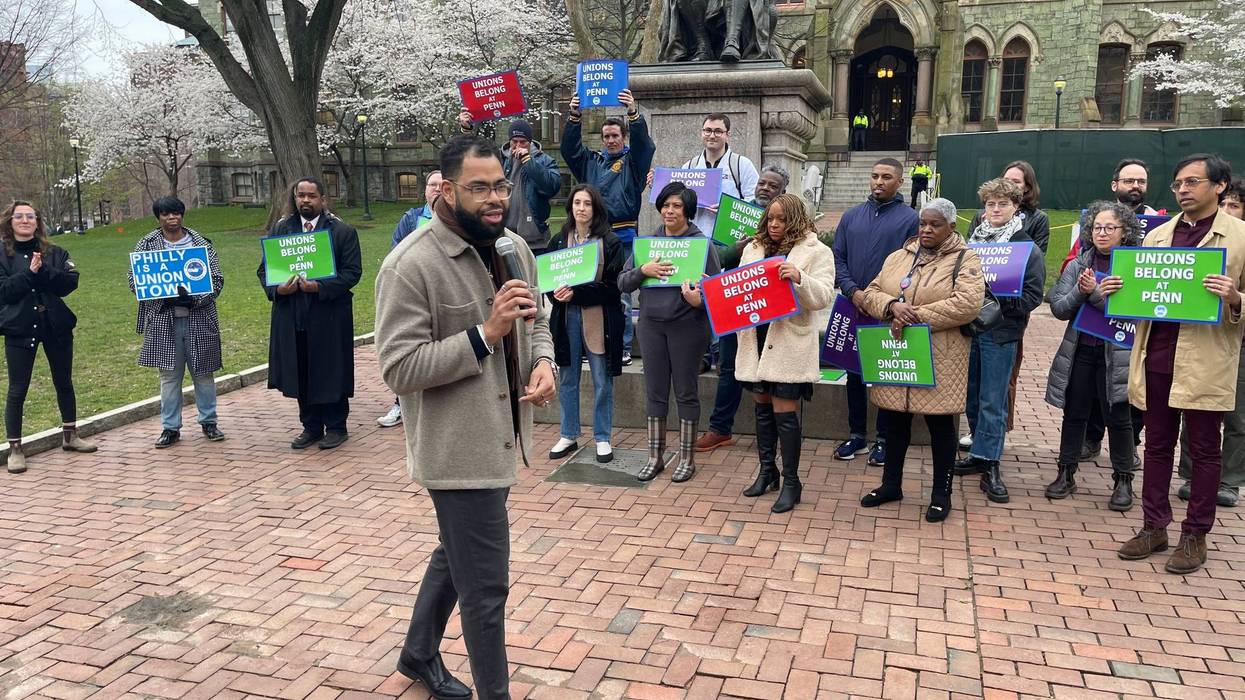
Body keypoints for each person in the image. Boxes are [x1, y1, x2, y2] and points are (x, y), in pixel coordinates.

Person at [376, 134, 556, 700]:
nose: (494, 197)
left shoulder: (513, 247)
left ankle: (418, 652)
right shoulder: (410, 265)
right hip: (457, 450)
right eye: (478, 188)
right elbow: (399, 368)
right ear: (447, 190)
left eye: (500, 184)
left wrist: (544, 360)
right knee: (486, 589)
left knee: (457, 554)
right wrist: (485, 335)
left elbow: (539, 316)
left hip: (505, 437)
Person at [1113, 154, 1245, 575]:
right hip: (1157, 354)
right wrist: (1120, 289)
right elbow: (1144, 292)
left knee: (1205, 448)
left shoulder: (1239, 237)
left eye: (1193, 182)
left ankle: (1195, 534)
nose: (1184, 189)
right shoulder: (1158, 236)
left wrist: (1236, 298)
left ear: (1220, 186)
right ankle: (1154, 526)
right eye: (1177, 184)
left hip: (1205, 357)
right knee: (1155, 445)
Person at [858, 198, 985, 522]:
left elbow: (967, 304)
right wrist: (891, 307)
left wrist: (913, 316)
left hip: (940, 355)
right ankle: (891, 485)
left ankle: (941, 495)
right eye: (923, 224)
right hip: (899, 354)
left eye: (935, 224)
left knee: (941, 428)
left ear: (951, 227)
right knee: (894, 422)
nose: (927, 229)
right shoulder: (899, 256)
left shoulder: (965, 259)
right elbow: (871, 291)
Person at [733, 193, 834, 512]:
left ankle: (792, 481)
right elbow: (739, 289)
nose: (774, 225)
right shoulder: (753, 248)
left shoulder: (817, 251)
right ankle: (767, 472)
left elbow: (823, 297)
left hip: (789, 341)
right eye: (770, 218)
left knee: (784, 412)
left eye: (782, 219)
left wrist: (799, 278)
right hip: (757, 338)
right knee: (761, 408)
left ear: (795, 219)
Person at [618, 182, 722, 483]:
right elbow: (622, 283)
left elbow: (717, 294)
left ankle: (687, 458)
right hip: (651, 326)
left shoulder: (702, 245)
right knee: (655, 390)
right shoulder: (647, 244)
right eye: (665, 205)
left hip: (687, 327)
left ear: (687, 211)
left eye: (676, 206)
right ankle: (655, 455)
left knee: (686, 391)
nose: (669, 211)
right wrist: (643, 271)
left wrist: (699, 300)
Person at [1044, 201, 1142, 511]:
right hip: (1081, 350)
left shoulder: (1137, 267)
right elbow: (1059, 308)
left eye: (1109, 228)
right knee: (1074, 413)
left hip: (1119, 354)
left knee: (1119, 418)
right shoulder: (1078, 264)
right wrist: (1081, 293)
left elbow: (1139, 314)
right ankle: (1066, 472)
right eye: (1097, 227)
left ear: (1124, 232)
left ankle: (1123, 480)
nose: (1102, 233)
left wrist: (1096, 297)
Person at [953, 178, 1046, 503]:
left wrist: (1000, 301)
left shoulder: (1025, 247)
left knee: (993, 400)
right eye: (990, 204)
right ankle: (979, 452)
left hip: (1001, 332)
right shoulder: (971, 245)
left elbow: (1034, 295)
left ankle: (991, 462)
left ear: (1015, 207)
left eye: (1002, 204)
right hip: (970, 331)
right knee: (972, 397)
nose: (995, 210)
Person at [258, 178, 362, 450]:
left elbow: (352, 273)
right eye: (300, 195)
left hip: (327, 315)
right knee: (301, 368)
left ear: (323, 199)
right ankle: (311, 426)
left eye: (311, 196)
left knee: (330, 370)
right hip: (292, 315)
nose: (305, 200)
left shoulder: (341, 231)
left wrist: (319, 286)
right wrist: (278, 290)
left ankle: (337, 426)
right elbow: (264, 271)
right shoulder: (282, 229)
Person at [696, 163, 789, 452]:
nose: (765, 188)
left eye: (772, 186)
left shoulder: (788, 220)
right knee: (728, 367)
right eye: (762, 183)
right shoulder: (737, 214)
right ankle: (720, 428)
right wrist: (735, 250)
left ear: (782, 191)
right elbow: (716, 258)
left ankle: (773, 432)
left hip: (770, 306)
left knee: (771, 370)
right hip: (735, 303)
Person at [832, 158, 918, 466]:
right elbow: (837, 258)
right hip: (853, 304)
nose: (878, 182)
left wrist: (884, 300)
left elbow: (913, 265)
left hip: (887, 309)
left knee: (884, 374)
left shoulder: (910, 219)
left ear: (900, 182)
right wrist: (852, 290)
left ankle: (883, 438)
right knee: (853, 374)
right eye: (874, 176)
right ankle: (857, 435)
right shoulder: (852, 216)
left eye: (886, 177)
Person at [562, 88, 656, 366]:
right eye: (607, 137)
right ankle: (586, 345)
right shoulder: (591, 162)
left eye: (616, 136)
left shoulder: (634, 163)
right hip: (592, 236)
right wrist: (574, 116)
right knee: (586, 289)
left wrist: (633, 113)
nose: (611, 140)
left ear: (624, 137)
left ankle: (623, 345)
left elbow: (645, 146)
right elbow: (570, 150)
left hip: (623, 235)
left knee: (621, 294)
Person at [0, 201, 94, 474]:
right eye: (19, 216)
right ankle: (16, 448)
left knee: (64, 381)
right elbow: (5, 292)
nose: (25, 221)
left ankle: (70, 435)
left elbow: (68, 283)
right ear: (10, 221)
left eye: (31, 216)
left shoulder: (54, 252)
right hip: (19, 328)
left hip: (55, 325)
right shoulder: (2, 255)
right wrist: (29, 274)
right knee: (18, 388)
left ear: (38, 222)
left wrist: (43, 270)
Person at [129, 197, 226, 448]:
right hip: (164, 320)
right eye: (166, 214)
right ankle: (170, 427)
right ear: (158, 217)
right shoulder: (146, 245)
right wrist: (164, 298)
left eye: (176, 213)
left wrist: (196, 299)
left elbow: (216, 279)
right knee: (169, 377)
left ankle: (209, 422)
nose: (172, 218)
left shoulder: (201, 243)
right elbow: (135, 280)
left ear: (182, 215)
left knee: (204, 373)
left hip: (199, 318)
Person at [1173, 177, 1245, 508]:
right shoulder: (1186, 236)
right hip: (1200, 339)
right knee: (1194, 404)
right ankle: (1189, 473)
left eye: (1235, 205)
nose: (1228, 210)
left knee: (1235, 415)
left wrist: (1235, 298)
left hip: (1236, 342)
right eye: (1226, 204)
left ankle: (1230, 480)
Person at [546, 184, 625, 464]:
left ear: (596, 208)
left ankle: (602, 437)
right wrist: (555, 295)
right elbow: (548, 279)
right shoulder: (558, 240)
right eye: (577, 203)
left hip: (599, 318)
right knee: (568, 377)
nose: (581, 208)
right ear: (570, 207)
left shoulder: (610, 242)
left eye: (587, 204)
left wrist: (577, 294)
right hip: (567, 318)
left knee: (602, 380)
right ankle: (569, 433)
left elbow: (614, 287)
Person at [377, 170, 445, 429]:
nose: (436, 189)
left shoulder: (458, 219)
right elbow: (396, 253)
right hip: (415, 293)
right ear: (425, 190)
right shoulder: (412, 218)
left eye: (441, 185)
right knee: (408, 351)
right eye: (432, 185)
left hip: (443, 293)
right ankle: (400, 405)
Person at [458, 113, 562, 254]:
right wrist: (467, 129)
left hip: (535, 242)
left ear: (530, 142)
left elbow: (551, 187)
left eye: (523, 142)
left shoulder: (544, 160)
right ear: (509, 141)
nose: (518, 146)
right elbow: (473, 156)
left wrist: (528, 161)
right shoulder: (499, 159)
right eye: (514, 141)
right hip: (502, 239)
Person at [679, 113, 759, 236]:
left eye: (718, 131)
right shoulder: (689, 167)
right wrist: (658, 183)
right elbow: (677, 201)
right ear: (702, 133)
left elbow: (755, 202)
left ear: (727, 135)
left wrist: (728, 209)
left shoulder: (741, 165)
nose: (712, 135)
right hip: (696, 238)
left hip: (730, 240)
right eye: (708, 131)